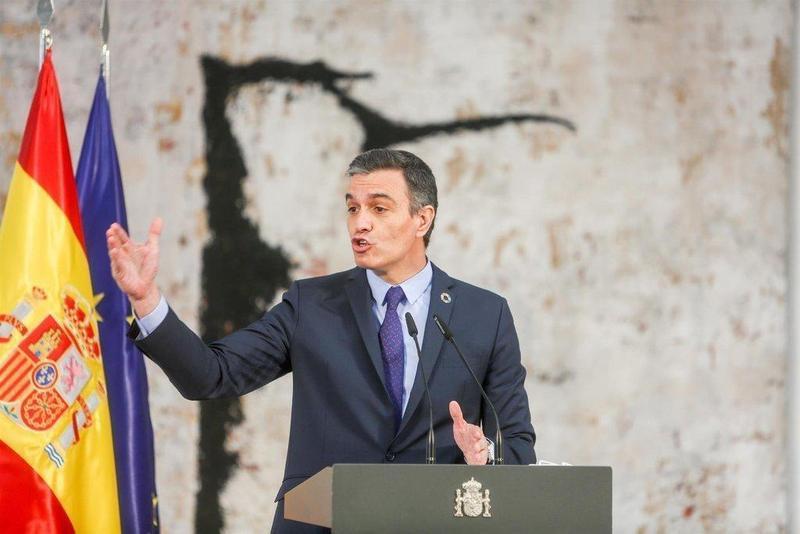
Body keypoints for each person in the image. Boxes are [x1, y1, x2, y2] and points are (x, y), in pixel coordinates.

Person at [106, 148, 535, 533]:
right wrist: (146, 300)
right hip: (320, 522)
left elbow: (517, 445)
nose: (360, 223)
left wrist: (485, 454)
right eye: (352, 208)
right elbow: (210, 375)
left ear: (422, 219)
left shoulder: (485, 315)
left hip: (434, 522)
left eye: (379, 208)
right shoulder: (311, 306)